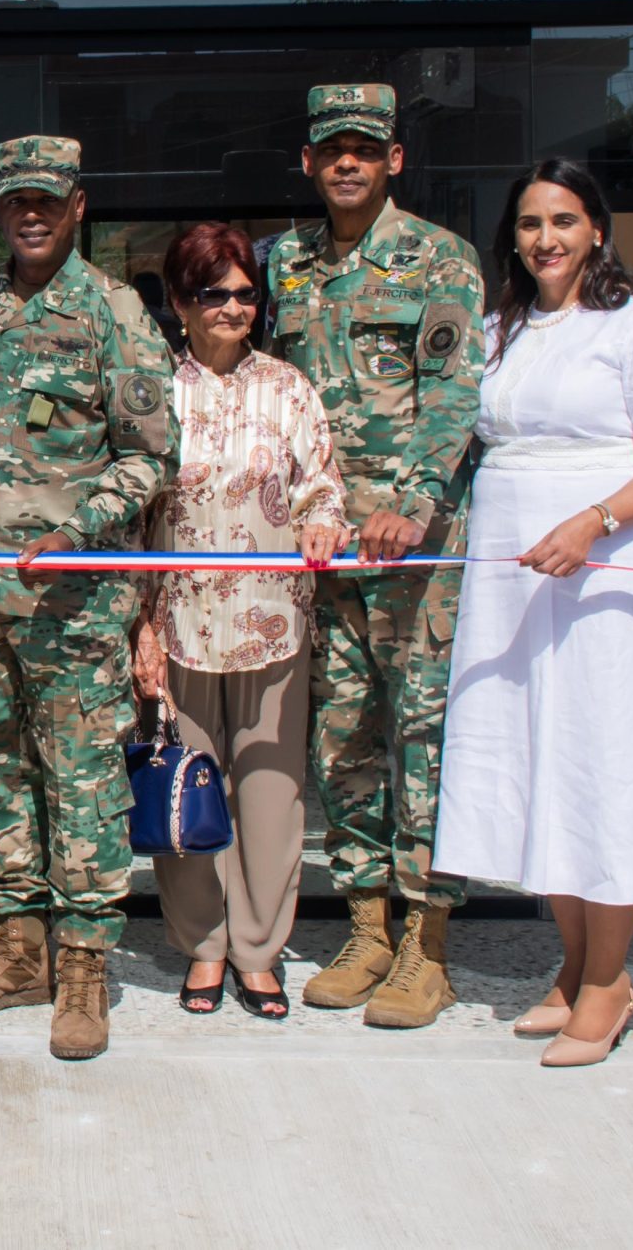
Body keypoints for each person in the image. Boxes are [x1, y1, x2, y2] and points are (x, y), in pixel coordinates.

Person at [432, 157, 633, 1068]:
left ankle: (610, 979)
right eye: (529, 224)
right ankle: (571, 965)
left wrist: (593, 522)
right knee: (538, 762)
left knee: (605, 763)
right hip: (518, 570)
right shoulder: (502, 327)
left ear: (597, 228)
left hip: (612, 572)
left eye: (563, 221)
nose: (546, 239)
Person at [0, 136, 174, 1062]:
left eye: (48, 199)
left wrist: (81, 529)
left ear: (78, 204)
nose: (30, 214)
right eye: (15, 201)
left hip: (72, 601)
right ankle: (16, 950)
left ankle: (82, 968)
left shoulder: (113, 311)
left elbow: (152, 453)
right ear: (0, 211)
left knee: (80, 781)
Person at [264, 83, 483, 1029]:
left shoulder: (441, 259)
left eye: (364, 146)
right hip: (322, 549)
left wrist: (414, 502)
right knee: (343, 737)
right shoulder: (287, 264)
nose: (346, 161)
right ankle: (367, 928)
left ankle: (428, 946)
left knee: (425, 743)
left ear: (395, 158)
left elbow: (455, 393)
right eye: (330, 148)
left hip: (416, 553)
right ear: (308, 162)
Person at [129, 223, 345, 1021]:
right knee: (187, 788)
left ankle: (259, 951)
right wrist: (141, 629)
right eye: (213, 292)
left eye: (245, 292)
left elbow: (322, 483)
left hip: (272, 621)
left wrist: (324, 521)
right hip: (179, 620)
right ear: (180, 301)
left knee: (269, 793)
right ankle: (204, 947)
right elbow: (137, 513)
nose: (232, 306)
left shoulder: (288, 388)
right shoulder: (155, 389)